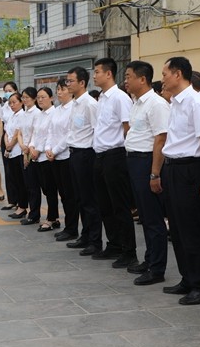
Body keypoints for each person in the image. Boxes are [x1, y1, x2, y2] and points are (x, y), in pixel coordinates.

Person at [159, 57, 200, 305]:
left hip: (190, 169)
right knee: (178, 229)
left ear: (178, 73)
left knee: (192, 229)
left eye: (165, 74)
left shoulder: (197, 102)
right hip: (173, 167)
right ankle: (187, 278)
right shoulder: (175, 103)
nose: (162, 79)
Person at [124, 61, 170, 285]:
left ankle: (157, 268)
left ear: (142, 79)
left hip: (146, 163)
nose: (126, 80)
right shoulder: (137, 103)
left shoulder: (156, 104)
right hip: (134, 160)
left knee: (153, 219)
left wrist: (154, 173)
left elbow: (161, 138)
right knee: (143, 215)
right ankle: (149, 259)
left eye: (129, 76)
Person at [90, 58, 136, 267]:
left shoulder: (120, 98)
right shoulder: (102, 98)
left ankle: (129, 251)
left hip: (115, 155)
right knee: (104, 205)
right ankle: (114, 244)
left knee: (120, 206)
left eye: (97, 71)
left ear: (109, 74)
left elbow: (127, 128)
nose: (94, 75)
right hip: (100, 156)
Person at [65, 67, 103, 255]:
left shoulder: (90, 104)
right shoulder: (74, 104)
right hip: (74, 154)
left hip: (86, 155)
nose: (68, 84)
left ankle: (95, 241)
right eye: (67, 81)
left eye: (71, 81)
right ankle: (85, 235)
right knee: (80, 198)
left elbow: (97, 131)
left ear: (82, 83)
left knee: (90, 200)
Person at [46, 77, 79, 242]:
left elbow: (69, 134)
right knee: (63, 194)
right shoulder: (57, 110)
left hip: (66, 156)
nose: (59, 92)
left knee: (70, 194)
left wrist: (56, 150)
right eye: (58, 89)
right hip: (55, 157)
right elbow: (50, 131)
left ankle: (72, 228)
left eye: (63, 89)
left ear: (70, 91)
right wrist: (48, 149)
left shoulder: (74, 108)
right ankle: (68, 227)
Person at [30, 87, 60, 231]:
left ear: (51, 98)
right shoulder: (39, 115)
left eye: (43, 97)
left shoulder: (54, 114)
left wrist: (38, 149)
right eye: (38, 97)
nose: (40, 100)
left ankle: (52, 218)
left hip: (47, 157)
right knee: (45, 189)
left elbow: (50, 135)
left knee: (50, 190)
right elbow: (34, 134)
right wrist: (31, 148)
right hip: (36, 157)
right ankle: (51, 217)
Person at [18, 87, 42, 225]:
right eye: (23, 97)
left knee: (33, 185)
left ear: (34, 99)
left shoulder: (37, 113)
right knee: (27, 184)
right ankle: (31, 211)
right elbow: (20, 132)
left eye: (27, 97)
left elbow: (35, 132)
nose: (24, 100)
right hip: (24, 150)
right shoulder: (23, 113)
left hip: (33, 152)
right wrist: (22, 146)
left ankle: (35, 214)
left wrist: (27, 151)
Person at [3, 92, 29, 219]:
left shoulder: (22, 115)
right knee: (14, 179)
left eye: (14, 102)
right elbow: (7, 132)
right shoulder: (12, 116)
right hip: (11, 152)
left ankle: (23, 206)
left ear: (21, 102)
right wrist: (6, 144)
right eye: (10, 103)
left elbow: (17, 133)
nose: (12, 105)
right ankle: (19, 204)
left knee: (21, 180)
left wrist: (10, 144)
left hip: (18, 150)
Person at [0, 81, 20, 211]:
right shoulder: (4, 107)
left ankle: (20, 201)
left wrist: (12, 142)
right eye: (5, 90)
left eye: (10, 90)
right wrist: (4, 140)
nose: (7, 92)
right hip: (6, 139)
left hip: (17, 141)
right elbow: (3, 124)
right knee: (8, 170)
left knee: (17, 172)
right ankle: (12, 200)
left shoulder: (19, 107)